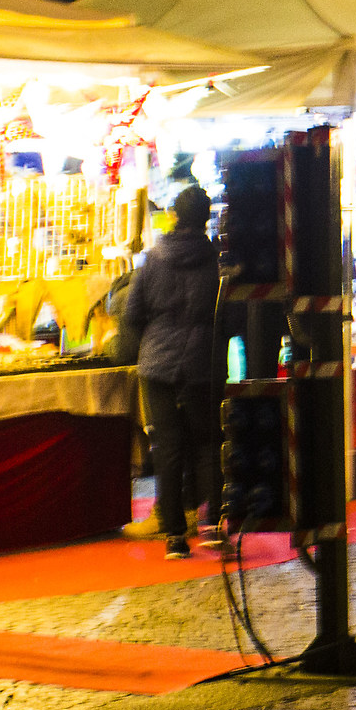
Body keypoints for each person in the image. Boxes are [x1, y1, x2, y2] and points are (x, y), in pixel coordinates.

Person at [120, 186, 225, 558]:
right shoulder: (216, 262)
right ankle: (212, 524)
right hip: (203, 362)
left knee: (166, 446)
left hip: (157, 362)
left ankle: (174, 536)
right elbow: (228, 315)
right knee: (208, 443)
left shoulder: (153, 260)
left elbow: (132, 314)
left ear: (175, 216)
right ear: (205, 218)